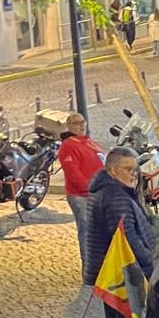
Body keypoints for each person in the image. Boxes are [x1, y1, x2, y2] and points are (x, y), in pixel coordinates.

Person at [84, 146, 156, 318]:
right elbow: (127, 239)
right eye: (128, 169)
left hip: (112, 273)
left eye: (135, 169)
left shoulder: (105, 190)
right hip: (126, 275)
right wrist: (149, 261)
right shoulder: (116, 197)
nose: (134, 174)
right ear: (113, 171)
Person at [57, 113, 104, 275]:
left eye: (82, 122)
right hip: (81, 195)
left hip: (97, 194)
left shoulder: (89, 142)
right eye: (76, 123)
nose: (81, 125)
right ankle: (89, 269)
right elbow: (72, 171)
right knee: (87, 231)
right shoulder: (69, 145)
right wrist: (89, 188)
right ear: (69, 126)